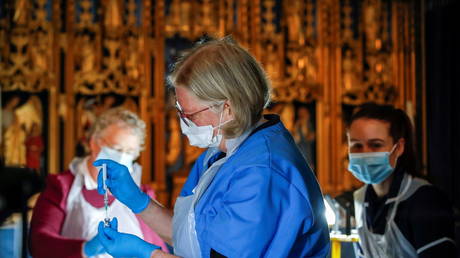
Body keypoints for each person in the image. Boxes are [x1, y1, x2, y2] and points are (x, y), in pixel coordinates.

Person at [95, 37, 330, 258]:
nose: (183, 122)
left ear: (228, 107)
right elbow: (192, 238)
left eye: (189, 113)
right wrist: (136, 199)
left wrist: (147, 254)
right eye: (179, 110)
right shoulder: (222, 153)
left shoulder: (262, 172)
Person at [30, 108, 168, 258]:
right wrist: (85, 249)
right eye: (117, 149)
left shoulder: (141, 194)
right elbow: (39, 244)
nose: (122, 157)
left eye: (129, 152)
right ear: (94, 143)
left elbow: (161, 246)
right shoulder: (61, 187)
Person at [346, 103, 457, 257]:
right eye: (356, 145)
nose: (365, 153)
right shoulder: (359, 200)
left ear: (398, 148)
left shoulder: (425, 201)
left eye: (376, 145)